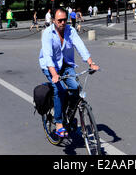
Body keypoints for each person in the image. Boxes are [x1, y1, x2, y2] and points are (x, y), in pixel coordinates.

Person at [39, 8, 99, 137]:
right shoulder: (48, 34)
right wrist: (54, 74)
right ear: (53, 20)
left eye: (64, 20)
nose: (62, 22)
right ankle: (59, 122)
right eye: (59, 20)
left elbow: (80, 45)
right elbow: (48, 56)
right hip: (51, 67)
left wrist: (90, 62)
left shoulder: (70, 30)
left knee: (76, 88)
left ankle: (69, 115)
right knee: (59, 90)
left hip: (66, 65)